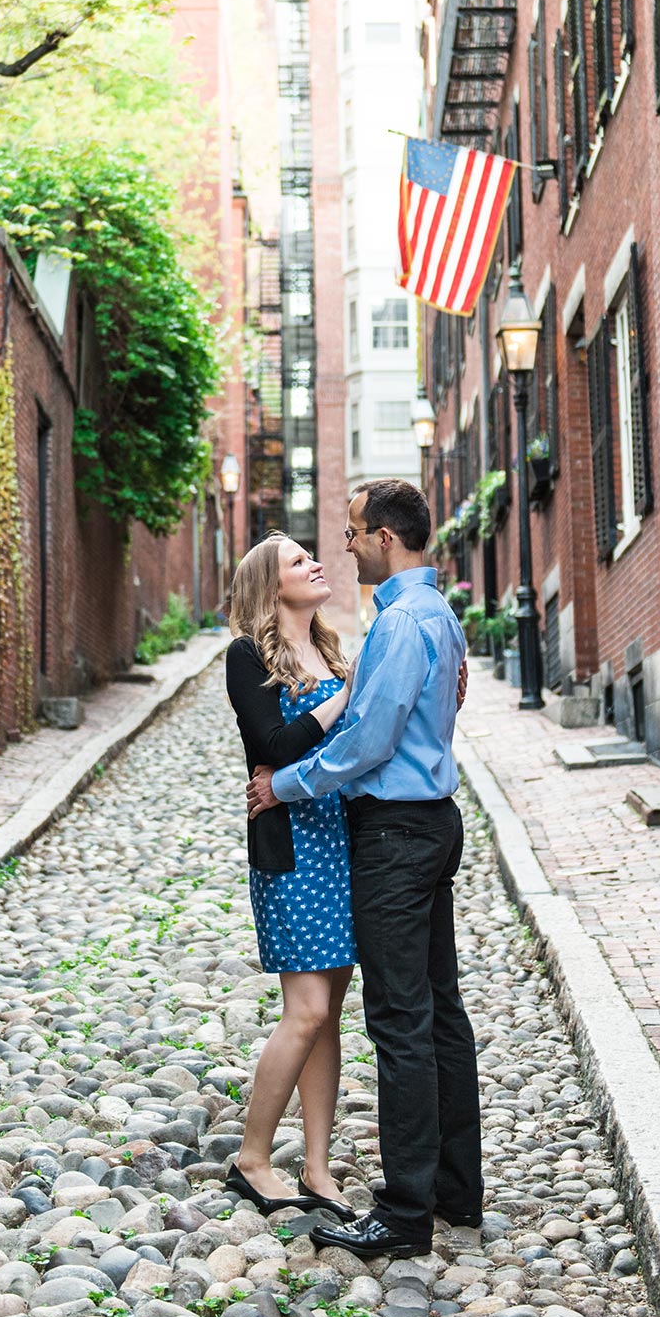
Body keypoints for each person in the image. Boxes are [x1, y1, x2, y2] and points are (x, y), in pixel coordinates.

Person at [247, 478, 482, 1260]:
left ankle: (406, 1211)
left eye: (350, 533)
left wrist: (284, 785)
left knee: (400, 1020)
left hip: (394, 834)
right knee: (439, 1010)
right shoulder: (435, 615)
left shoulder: (401, 622)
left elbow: (368, 739)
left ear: (385, 536)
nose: (342, 547)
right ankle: (455, 1191)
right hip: (431, 824)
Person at [224, 533, 356, 1217]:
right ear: (270, 586)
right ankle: (250, 1158)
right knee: (303, 1013)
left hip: (343, 844)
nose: (315, 564)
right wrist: (344, 700)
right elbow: (272, 748)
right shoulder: (246, 656)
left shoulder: (330, 650)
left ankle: (316, 1167)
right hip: (291, 847)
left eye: (312, 556)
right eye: (299, 561)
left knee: (328, 1015)